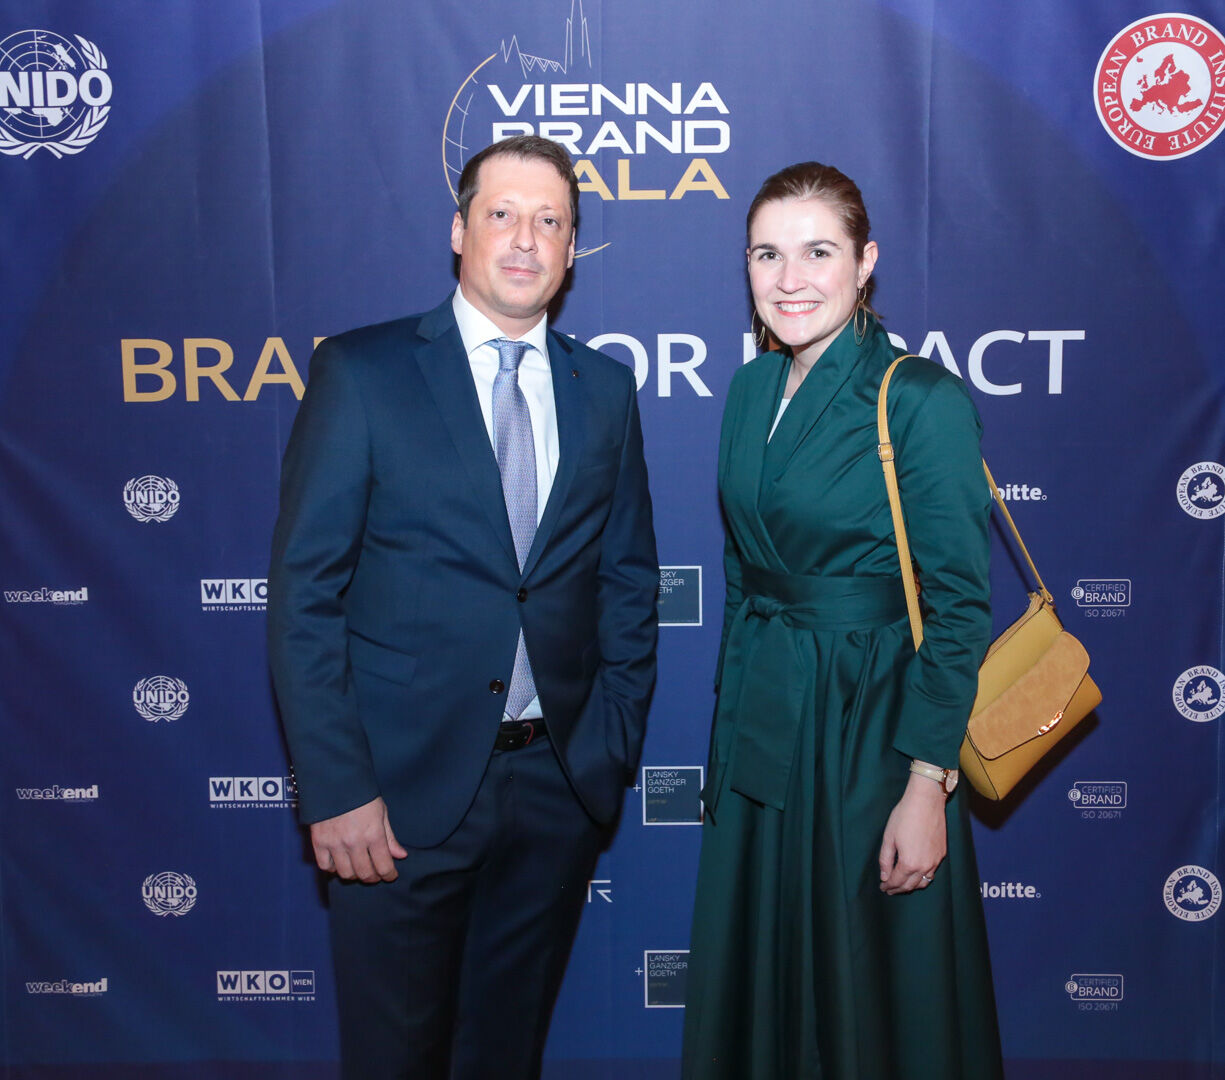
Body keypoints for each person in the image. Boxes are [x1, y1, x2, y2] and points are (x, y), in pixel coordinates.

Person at [267, 135, 658, 1080]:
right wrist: (338, 788)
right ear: (458, 230)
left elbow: (627, 580)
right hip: (394, 799)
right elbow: (305, 594)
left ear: (572, 248)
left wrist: (602, 749)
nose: (525, 239)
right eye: (502, 214)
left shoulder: (604, 391)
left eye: (549, 221)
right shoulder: (363, 372)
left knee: (505, 1056)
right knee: (394, 1059)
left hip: (555, 790)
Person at [681, 162, 1004, 1078]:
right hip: (764, 722)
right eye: (766, 255)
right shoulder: (750, 390)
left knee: (869, 988)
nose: (789, 279)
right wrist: (727, 742)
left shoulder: (918, 398)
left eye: (817, 252)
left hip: (870, 729)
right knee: (764, 979)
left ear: (865, 263)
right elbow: (744, 574)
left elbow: (957, 607)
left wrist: (926, 782)